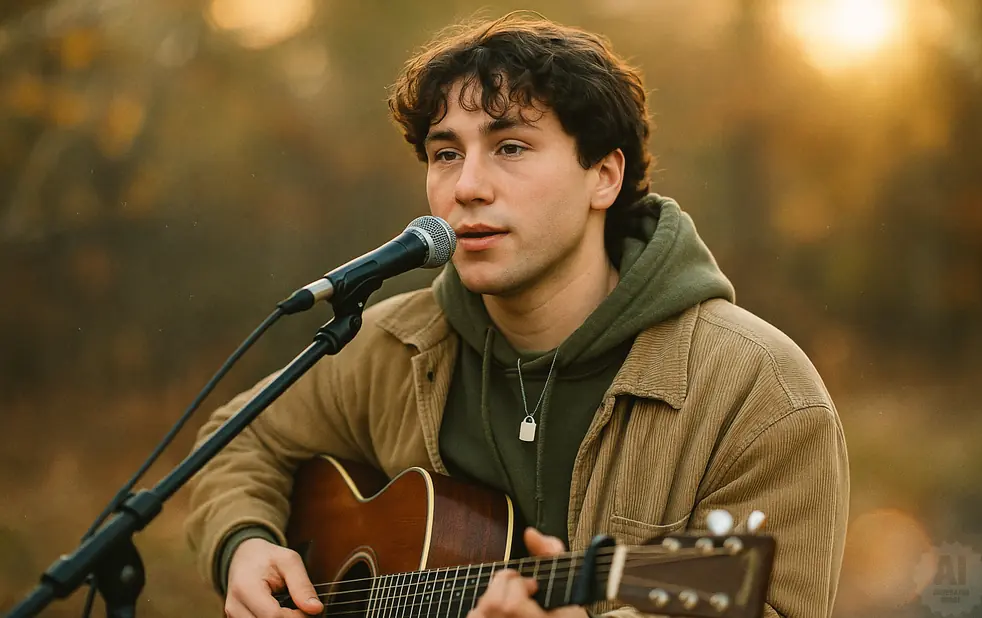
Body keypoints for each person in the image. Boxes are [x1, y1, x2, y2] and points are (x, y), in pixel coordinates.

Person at [184, 12, 849, 618]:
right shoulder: (395, 344)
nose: (467, 185)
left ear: (605, 177)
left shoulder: (761, 394)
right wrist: (244, 543)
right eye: (447, 153)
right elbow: (238, 440)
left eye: (510, 147)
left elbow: (766, 604)